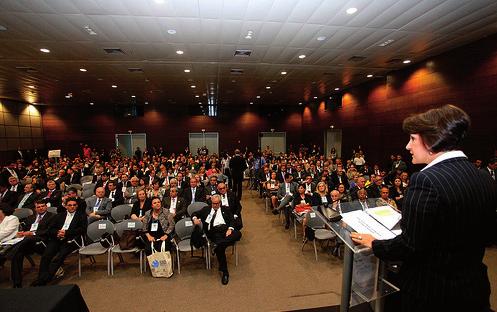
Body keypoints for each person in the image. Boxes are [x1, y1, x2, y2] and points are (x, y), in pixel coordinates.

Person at [350, 105, 497, 312]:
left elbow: (410, 246)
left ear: (431, 140)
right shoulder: (482, 176)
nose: (407, 146)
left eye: (412, 139)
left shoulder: (425, 179)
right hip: (473, 287)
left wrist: (375, 244)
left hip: (432, 292)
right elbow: (489, 235)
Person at [31, 198, 87, 286]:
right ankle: (40, 277)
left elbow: (82, 229)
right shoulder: (59, 215)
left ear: (77, 206)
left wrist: (66, 232)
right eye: (70, 205)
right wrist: (58, 233)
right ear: (65, 206)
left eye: (74, 205)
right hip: (57, 238)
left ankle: (46, 279)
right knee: (46, 255)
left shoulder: (81, 215)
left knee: (59, 257)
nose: (72, 207)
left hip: (71, 240)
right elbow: (51, 229)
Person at [192, 195, 241, 285]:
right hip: (214, 232)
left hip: (226, 230)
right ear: (211, 202)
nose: (215, 205)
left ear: (220, 203)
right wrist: (195, 219)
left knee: (238, 234)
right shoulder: (206, 209)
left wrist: (230, 229)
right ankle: (225, 272)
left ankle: (218, 247)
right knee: (221, 250)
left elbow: (232, 220)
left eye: (217, 203)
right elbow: (194, 213)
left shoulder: (225, 209)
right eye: (214, 203)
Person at [10, 199, 55, 287]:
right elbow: (25, 229)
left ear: (46, 207)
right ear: (35, 209)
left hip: (42, 240)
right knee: (18, 254)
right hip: (27, 242)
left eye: (43, 206)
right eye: (38, 207)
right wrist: (22, 233)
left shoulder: (52, 216)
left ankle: (11, 252)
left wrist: (32, 233)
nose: (41, 208)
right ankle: (17, 283)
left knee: (27, 239)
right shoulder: (30, 218)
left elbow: (49, 231)